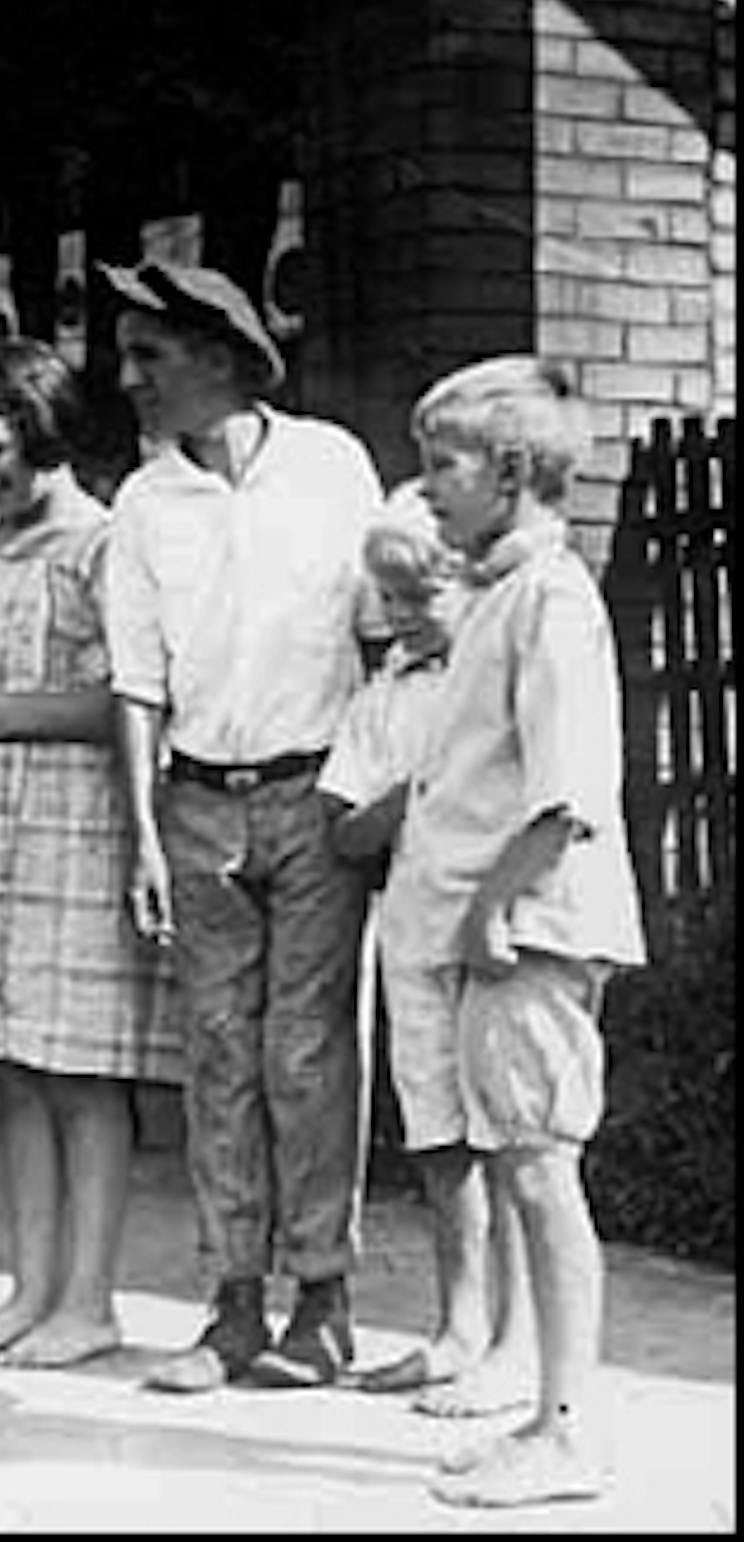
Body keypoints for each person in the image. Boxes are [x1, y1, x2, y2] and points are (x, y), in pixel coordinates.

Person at [99, 259, 387, 1393]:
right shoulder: (142, 501)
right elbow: (136, 682)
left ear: (222, 355)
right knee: (217, 1054)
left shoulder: (332, 466)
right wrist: (143, 838)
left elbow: (382, 628)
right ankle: (231, 1306)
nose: (130, 381)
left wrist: (371, 789)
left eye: (149, 358)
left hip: (314, 794)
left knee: (308, 1051)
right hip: (197, 802)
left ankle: (323, 1301)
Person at [0, 336, 184, 1368]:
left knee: (82, 1074)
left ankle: (90, 1297)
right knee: (14, 1068)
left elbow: (144, 696)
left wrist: (15, 712)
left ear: (42, 428)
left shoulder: (103, 545)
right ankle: (29, 1288)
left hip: (74, 830)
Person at [395, 355, 644, 1508]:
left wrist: (493, 905)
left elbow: (568, 791)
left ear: (508, 470)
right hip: (494, 925)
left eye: (441, 463)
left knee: (544, 1169)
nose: (427, 485)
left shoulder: (552, 598)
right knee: (519, 1158)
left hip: (532, 924)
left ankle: (568, 1426)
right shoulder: (498, 592)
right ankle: (537, 1401)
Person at [321, 494, 536, 1415]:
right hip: (412, 934)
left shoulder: (496, 678)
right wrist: (412, 798)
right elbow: (343, 832)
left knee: (510, 1138)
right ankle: (456, 1329)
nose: (405, 617)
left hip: (494, 935)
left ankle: (515, 1344)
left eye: (423, 595)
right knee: (441, 1139)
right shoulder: (388, 695)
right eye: (393, 601)